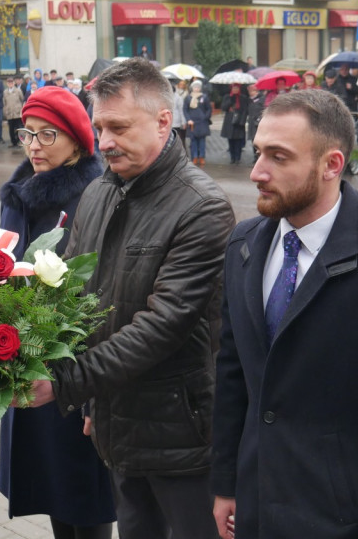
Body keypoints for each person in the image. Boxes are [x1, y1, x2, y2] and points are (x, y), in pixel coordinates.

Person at [211, 89, 358, 539]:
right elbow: (232, 375)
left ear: (331, 165)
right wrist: (226, 482)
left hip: (339, 522)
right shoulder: (243, 245)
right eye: (259, 151)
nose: (257, 172)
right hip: (255, 509)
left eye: (278, 157)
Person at [29, 58, 235, 539]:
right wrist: (89, 403)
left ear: (164, 120)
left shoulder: (202, 207)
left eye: (119, 127)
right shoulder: (100, 192)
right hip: (114, 426)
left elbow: (161, 327)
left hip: (179, 437)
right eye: (99, 127)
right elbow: (74, 299)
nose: (104, 142)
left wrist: (67, 383)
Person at [0, 86, 113, 539]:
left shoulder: (93, 196)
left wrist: (91, 389)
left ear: (78, 142)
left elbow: (102, 291)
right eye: (28, 134)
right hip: (29, 358)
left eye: (49, 136)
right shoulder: (20, 193)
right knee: (51, 490)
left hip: (76, 364)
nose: (34, 146)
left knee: (85, 495)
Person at [183, 79, 212, 167]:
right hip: (192, 122)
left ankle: (202, 157)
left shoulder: (204, 97)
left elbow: (209, 109)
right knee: (193, 140)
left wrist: (205, 117)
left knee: (202, 140)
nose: (196, 88)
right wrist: (188, 119)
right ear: (192, 88)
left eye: (198, 87)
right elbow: (185, 109)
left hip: (202, 123)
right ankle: (194, 157)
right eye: (195, 87)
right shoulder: (188, 98)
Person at [221, 83, 250, 165]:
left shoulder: (243, 98)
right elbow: (224, 108)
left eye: (237, 88)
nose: (235, 90)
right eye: (234, 88)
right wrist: (230, 100)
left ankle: (238, 158)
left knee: (238, 141)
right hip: (230, 122)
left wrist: (242, 121)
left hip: (239, 122)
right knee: (231, 141)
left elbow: (245, 110)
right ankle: (232, 158)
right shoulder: (227, 97)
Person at [3, 75, 26, 148]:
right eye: (9, 82)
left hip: (17, 112)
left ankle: (20, 141)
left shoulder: (18, 90)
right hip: (10, 113)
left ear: (13, 83)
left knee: (19, 128)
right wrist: (6, 111)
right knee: (11, 129)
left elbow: (22, 99)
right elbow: (4, 102)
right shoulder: (5, 92)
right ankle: (13, 142)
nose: (10, 84)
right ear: (7, 83)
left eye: (11, 82)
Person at [246, 83, 265, 163]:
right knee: (253, 140)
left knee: (259, 140)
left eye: (252, 90)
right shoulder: (250, 100)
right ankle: (255, 155)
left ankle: (259, 155)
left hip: (258, 123)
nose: (251, 92)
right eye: (249, 91)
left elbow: (262, 109)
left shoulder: (261, 99)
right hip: (251, 123)